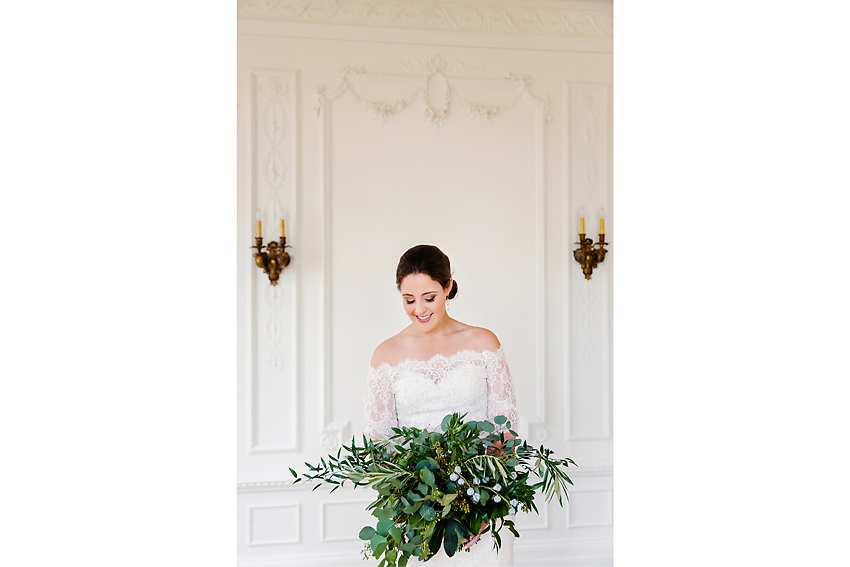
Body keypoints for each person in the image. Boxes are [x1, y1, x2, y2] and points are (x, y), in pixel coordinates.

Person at [364, 244, 518, 566]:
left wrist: (484, 506)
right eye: (409, 300)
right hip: (417, 519)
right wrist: (411, 504)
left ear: (448, 287)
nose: (419, 308)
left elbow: (505, 430)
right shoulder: (385, 355)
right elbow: (380, 443)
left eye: (429, 297)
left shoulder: (484, 343)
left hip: (482, 512)